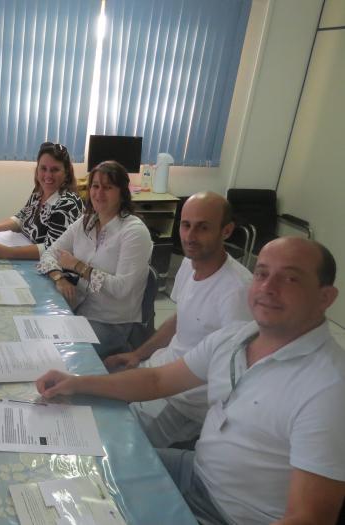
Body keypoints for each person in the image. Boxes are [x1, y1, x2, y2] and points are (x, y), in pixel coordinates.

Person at [36, 237, 345, 525]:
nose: (268, 287)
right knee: (81, 468)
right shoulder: (236, 337)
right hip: (196, 472)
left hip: (232, 515)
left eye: (290, 278)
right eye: (262, 273)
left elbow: (310, 518)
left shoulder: (329, 388)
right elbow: (157, 381)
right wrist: (76, 382)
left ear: (325, 298)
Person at [105, 191, 253, 447]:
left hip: (184, 401)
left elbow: (237, 372)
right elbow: (179, 321)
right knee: (95, 400)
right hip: (158, 372)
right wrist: (137, 355)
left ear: (226, 231)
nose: (190, 236)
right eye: (186, 225)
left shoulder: (237, 291)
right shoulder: (189, 263)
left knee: (117, 442)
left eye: (203, 227)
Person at [37, 161, 153, 357]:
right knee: (37, 332)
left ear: (122, 193)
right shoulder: (86, 222)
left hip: (112, 324)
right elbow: (49, 253)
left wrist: (79, 266)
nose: (99, 193)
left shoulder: (134, 231)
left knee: (56, 354)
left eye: (108, 188)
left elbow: (122, 289)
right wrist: (59, 277)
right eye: (95, 186)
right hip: (79, 310)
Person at [0, 142, 83, 260]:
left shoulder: (68, 203)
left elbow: (53, 249)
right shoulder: (38, 192)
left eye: (55, 170)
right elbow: (21, 218)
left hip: (50, 266)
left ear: (66, 173)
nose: (48, 175)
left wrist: (7, 252)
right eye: (43, 168)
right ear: (37, 170)